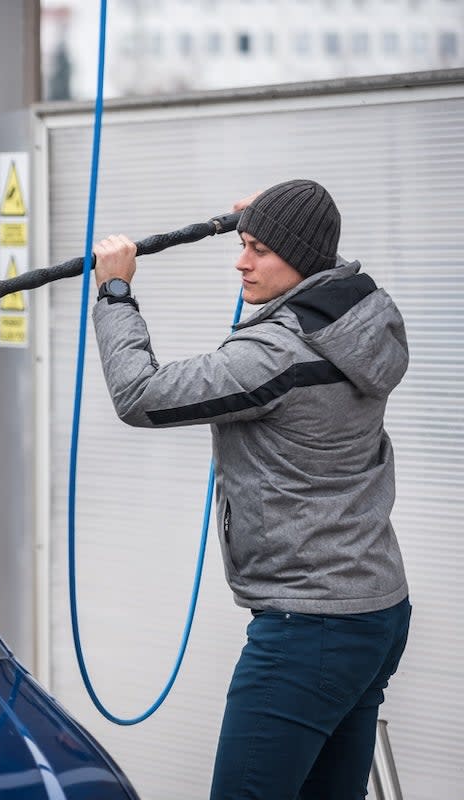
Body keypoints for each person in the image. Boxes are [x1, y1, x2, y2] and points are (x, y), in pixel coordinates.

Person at [90, 179, 412, 800]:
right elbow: (324, 252)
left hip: (309, 629)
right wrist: (273, 222)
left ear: (301, 256)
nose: (241, 262)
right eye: (242, 244)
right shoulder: (362, 314)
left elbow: (141, 395)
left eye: (259, 249)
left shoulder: (277, 353)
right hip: (376, 611)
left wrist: (116, 291)